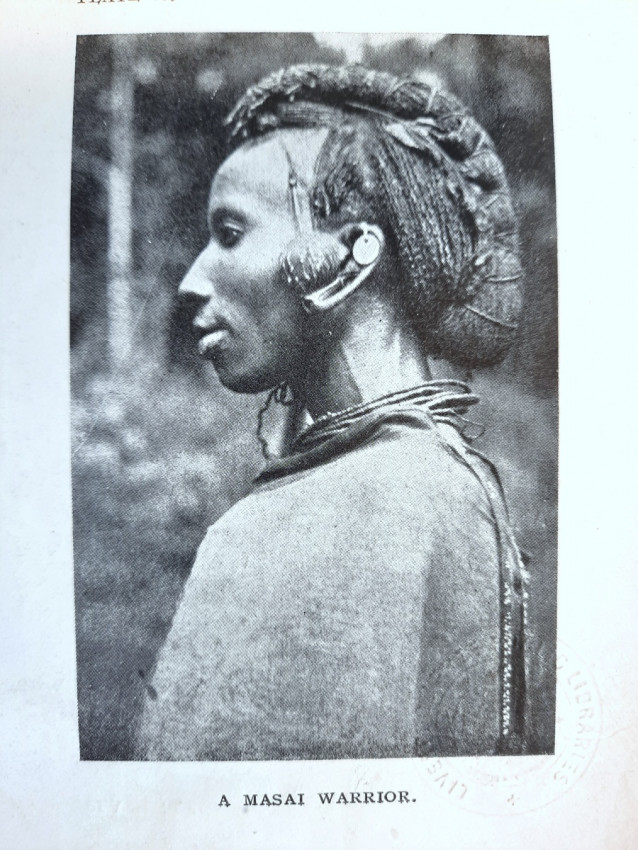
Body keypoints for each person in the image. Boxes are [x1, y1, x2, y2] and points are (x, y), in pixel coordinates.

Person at [137, 64, 528, 760]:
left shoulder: (391, 496)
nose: (192, 280)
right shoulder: (417, 480)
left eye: (231, 232)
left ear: (352, 254)